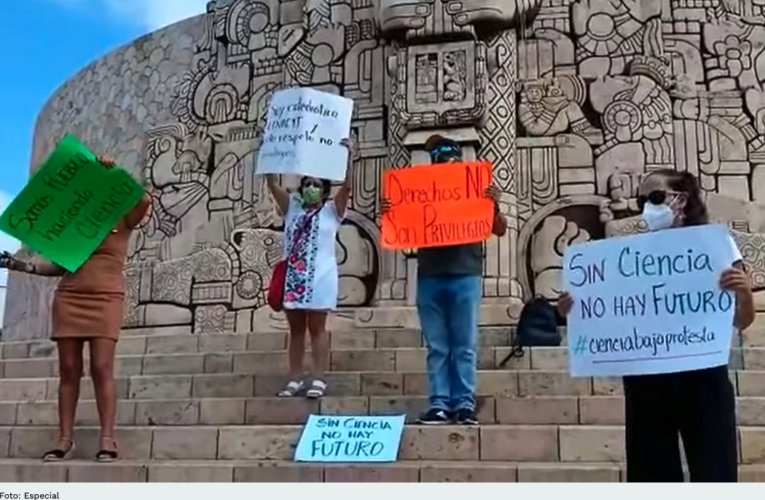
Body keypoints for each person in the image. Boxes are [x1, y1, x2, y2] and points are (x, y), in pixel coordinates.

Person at [557, 169, 754, 482]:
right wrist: (576, 308)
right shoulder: (629, 257)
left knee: (714, 470)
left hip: (703, 377)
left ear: (681, 199)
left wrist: (743, 291)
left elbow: (742, 321)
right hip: (646, 378)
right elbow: (612, 312)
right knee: (652, 472)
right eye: (642, 200)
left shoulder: (716, 246)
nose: (648, 205)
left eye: (656, 197)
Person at [1, 154, 152, 463]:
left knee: (102, 367)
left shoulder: (122, 214)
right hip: (70, 297)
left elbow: (145, 200)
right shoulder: (72, 219)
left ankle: (107, 439)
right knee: (69, 370)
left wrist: (117, 171)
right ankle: (63, 439)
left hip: (106, 297)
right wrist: (18, 265)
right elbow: (57, 265)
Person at [381, 135, 507, 425]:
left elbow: (499, 229)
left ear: (458, 158)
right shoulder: (421, 190)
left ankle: (463, 402)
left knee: (464, 344)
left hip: (465, 274)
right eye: (436, 154)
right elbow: (399, 230)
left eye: (447, 153)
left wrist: (493, 205)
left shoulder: (475, 190)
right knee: (437, 346)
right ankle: (439, 403)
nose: (442, 158)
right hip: (430, 276)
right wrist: (391, 212)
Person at [268, 138, 356, 399]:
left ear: (324, 190)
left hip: (320, 278)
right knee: (296, 330)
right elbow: (273, 184)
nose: (311, 188)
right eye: (307, 184)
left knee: (317, 328)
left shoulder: (332, 211)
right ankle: (294, 378)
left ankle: (318, 377)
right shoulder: (292, 208)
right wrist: (270, 153)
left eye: (317, 185)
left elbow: (348, 187)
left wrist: (350, 157)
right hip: (294, 278)